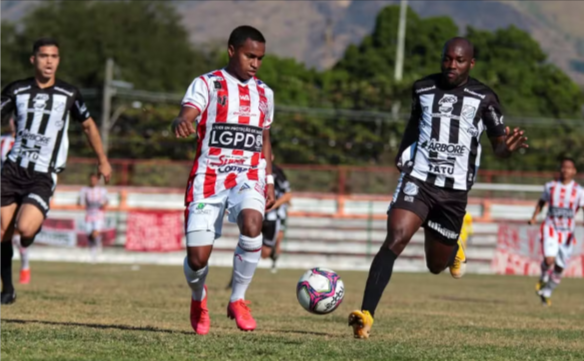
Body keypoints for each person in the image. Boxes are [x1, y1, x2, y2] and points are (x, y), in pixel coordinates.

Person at [348, 37, 528, 339]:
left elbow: (498, 145)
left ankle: (453, 247)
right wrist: (402, 151)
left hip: (453, 193)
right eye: (447, 59)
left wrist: (507, 149)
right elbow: (413, 124)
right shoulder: (422, 88)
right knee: (395, 237)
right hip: (419, 179)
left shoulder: (484, 97)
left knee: (435, 264)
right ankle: (366, 315)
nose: (451, 66)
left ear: (471, 63)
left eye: (459, 61)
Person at [172, 25, 275, 335]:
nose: (255, 63)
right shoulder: (207, 84)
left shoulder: (265, 93)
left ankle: (238, 299)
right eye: (249, 56)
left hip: (249, 174)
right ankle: (197, 298)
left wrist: (268, 178)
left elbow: (265, 138)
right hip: (209, 177)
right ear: (232, 51)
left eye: (260, 58)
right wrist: (182, 121)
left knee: (252, 223)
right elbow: (188, 112)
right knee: (197, 258)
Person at [0, 38, 112, 305]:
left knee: (25, 229)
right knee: (2, 232)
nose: (49, 61)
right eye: (43, 56)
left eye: (54, 56)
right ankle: (8, 288)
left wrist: (102, 159)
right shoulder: (17, 90)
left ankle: (31, 234)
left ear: (58, 60)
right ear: (33, 59)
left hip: (42, 174)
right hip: (12, 170)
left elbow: (88, 126)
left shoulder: (68, 94)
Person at [529, 157, 583, 306]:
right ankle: (544, 278)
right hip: (550, 227)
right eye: (563, 167)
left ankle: (546, 293)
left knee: (559, 267)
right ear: (560, 169)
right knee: (549, 259)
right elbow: (541, 202)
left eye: (569, 168)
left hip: (567, 234)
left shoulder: (579, 191)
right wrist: (534, 217)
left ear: (574, 171)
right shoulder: (550, 186)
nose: (565, 170)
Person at [1, 119, 31, 285]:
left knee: (20, 233)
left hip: (21, 190)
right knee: (3, 234)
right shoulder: (2, 141)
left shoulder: (29, 141)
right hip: (2, 190)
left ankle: (25, 267)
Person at [261, 157, 291, 273]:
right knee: (246, 243)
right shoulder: (249, 167)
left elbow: (288, 194)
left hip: (274, 216)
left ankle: (273, 256)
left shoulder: (276, 172)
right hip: (255, 215)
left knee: (267, 250)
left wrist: (272, 206)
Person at [78, 173, 109, 263]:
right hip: (89, 214)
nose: (93, 181)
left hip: (99, 214)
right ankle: (93, 254)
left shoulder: (102, 190)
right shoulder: (85, 190)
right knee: (90, 235)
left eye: (95, 179)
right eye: (91, 179)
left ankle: (98, 247)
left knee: (95, 233)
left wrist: (104, 203)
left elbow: (106, 201)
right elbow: (81, 202)